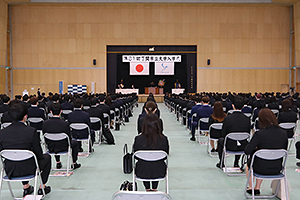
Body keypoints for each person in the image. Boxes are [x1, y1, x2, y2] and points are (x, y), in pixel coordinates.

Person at [0, 103, 51, 197]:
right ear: (25, 116)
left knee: (19, 156)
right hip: (30, 168)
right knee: (47, 157)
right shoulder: (31, 131)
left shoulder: (2, 133)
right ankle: (42, 187)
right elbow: (38, 154)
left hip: (10, 169)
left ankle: (26, 187)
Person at [244, 108, 288, 195]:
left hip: (260, 168)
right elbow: (284, 149)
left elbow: (247, 151)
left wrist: (257, 148)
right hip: (277, 168)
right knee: (261, 160)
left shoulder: (259, 134)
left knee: (250, 164)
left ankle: (252, 187)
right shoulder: (283, 133)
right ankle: (257, 187)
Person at [133, 113, 169, 191]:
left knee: (144, 163)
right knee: (156, 163)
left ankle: (147, 188)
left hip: (141, 172)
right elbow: (165, 155)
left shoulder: (138, 139)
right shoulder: (164, 139)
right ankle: (155, 188)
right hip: (159, 172)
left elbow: (135, 156)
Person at [42, 103, 81, 170]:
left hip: (51, 147)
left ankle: (58, 162)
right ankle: (74, 162)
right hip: (64, 146)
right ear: (61, 111)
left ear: (50, 112)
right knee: (75, 143)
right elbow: (69, 137)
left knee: (54, 140)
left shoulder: (45, 123)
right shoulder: (65, 123)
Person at [216, 96, 251, 169]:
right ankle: (236, 162)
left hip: (229, 145)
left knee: (220, 140)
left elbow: (223, 134)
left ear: (233, 105)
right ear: (243, 106)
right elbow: (248, 133)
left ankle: (221, 162)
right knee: (242, 139)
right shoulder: (247, 119)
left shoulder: (227, 118)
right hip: (243, 146)